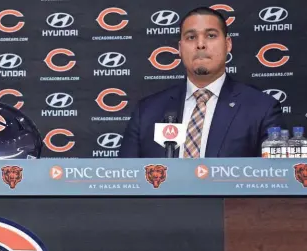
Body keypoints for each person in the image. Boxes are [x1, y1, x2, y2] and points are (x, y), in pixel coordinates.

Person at [119, 7, 283, 158]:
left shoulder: (261, 108)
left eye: (211, 36)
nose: (200, 44)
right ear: (180, 48)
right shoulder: (148, 111)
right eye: (191, 37)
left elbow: (275, 179)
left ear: (228, 44)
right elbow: (127, 179)